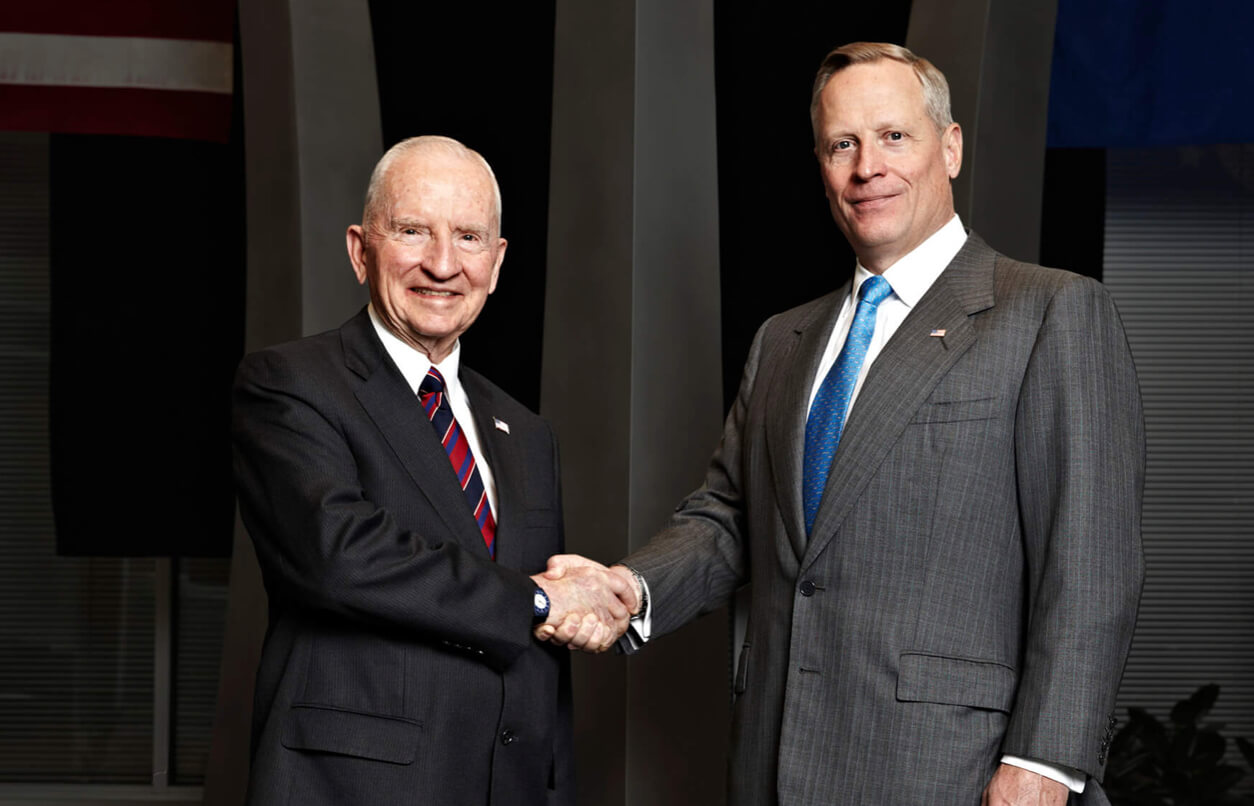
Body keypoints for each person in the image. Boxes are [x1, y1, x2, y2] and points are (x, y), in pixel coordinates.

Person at [541, 42, 1145, 805]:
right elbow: (729, 520)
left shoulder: (1050, 311)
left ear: (949, 147)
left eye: (894, 136)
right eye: (842, 144)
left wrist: (1044, 765)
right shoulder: (783, 341)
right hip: (772, 761)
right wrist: (628, 587)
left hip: (957, 772)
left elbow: (1092, 565)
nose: (868, 167)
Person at [232, 136, 635, 806]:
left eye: (469, 237)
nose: (442, 265)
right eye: (413, 230)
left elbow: (539, 662)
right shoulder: (290, 385)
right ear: (361, 250)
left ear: (497, 262)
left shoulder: (528, 433)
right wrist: (538, 600)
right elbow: (340, 555)